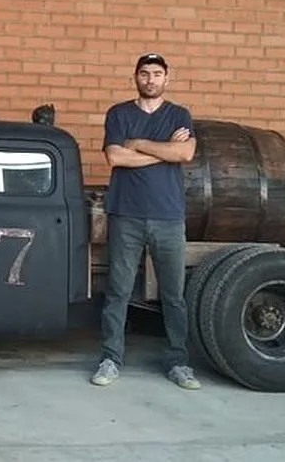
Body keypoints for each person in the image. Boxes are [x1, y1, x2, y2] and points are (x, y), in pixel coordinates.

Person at [90, 52, 201, 390]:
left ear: (166, 78)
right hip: (126, 213)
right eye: (144, 73)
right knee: (118, 290)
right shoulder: (119, 113)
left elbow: (185, 153)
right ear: (135, 77)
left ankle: (178, 362)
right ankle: (111, 358)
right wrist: (164, 152)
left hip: (169, 216)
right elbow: (114, 156)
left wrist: (138, 145)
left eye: (156, 74)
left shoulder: (179, 115)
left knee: (173, 294)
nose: (150, 79)